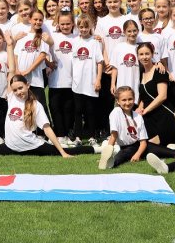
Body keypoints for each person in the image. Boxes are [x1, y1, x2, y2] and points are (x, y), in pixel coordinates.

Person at [8, 9, 50, 118]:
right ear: (30, 19)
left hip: (35, 79)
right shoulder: (23, 36)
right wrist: (17, 70)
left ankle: (44, 132)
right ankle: (29, 130)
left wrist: (28, 70)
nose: (38, 22)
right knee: (25, 106)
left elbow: (42, 55)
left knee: (40, 105)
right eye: (35, 19)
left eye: (40, 20)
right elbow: (16, 54)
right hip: (21, 78)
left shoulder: (42, 37)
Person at [136, 42, 175, 146]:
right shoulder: (140, 73)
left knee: (149, 144)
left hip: (163, 115)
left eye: (147, 54)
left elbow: (162, 96)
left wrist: (146, 110)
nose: (144, 57)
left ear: (152, 54)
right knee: (141, 143)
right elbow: (143, 97)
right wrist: (139, 109)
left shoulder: (159, 71)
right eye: (141, 54)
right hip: (148, 117)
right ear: (137, 56)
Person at [71, 14, 104, 144]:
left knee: (91, 110)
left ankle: (92, 137)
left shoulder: (95, 42)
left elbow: (100, 62)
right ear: (77, 27)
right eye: (81, 27)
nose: (83, 29)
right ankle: (78, 137)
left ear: (90, 27)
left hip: (90, 82)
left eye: (86, 27)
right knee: (78, 110)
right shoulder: (75, 41)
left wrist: (98, 79)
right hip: (77, 82)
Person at [48, 11, 77, 146]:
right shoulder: (53, 37)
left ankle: (68, 134)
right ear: (58, 24)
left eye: (68, 24)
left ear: (73, 24)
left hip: (72, 81)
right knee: (55, 108)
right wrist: (48, 64)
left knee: (68, 109)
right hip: (56, 80)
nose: (65, 26)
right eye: (62, 24)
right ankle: (59, 135)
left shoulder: (77, 38)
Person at [108, 18, 140, 98]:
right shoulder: (119, 47)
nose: (132, 33)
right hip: (121, 87)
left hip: (136, 87)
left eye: (134, 31)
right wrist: (112, 84)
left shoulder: (140, 48)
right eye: (129, 31)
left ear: (138, 31)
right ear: (124, 32)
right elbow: (115, 68)